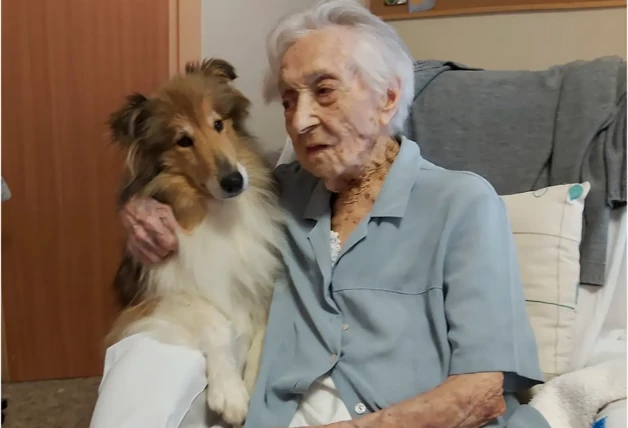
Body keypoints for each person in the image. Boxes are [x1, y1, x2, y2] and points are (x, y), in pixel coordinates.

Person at [119, 1, 550, 427]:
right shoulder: (276, 196)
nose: (300, 120)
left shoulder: (462, 204)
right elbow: (190, 191)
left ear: (387, 97)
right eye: (288, 101)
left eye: (323, 91)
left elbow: (482, 392)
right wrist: (141, 211)